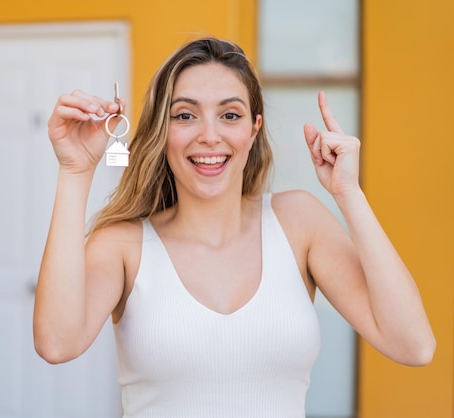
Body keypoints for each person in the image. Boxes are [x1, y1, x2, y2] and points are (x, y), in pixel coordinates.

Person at [33, 37, 435, 417]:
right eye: (185, 115)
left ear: (253, 129)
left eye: (230, 115)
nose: (210, 136)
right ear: (162, 129)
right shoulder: (124, 244)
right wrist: (75, 170)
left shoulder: (299, 222)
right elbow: (56, 343)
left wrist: (349, 192)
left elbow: (413, 345)